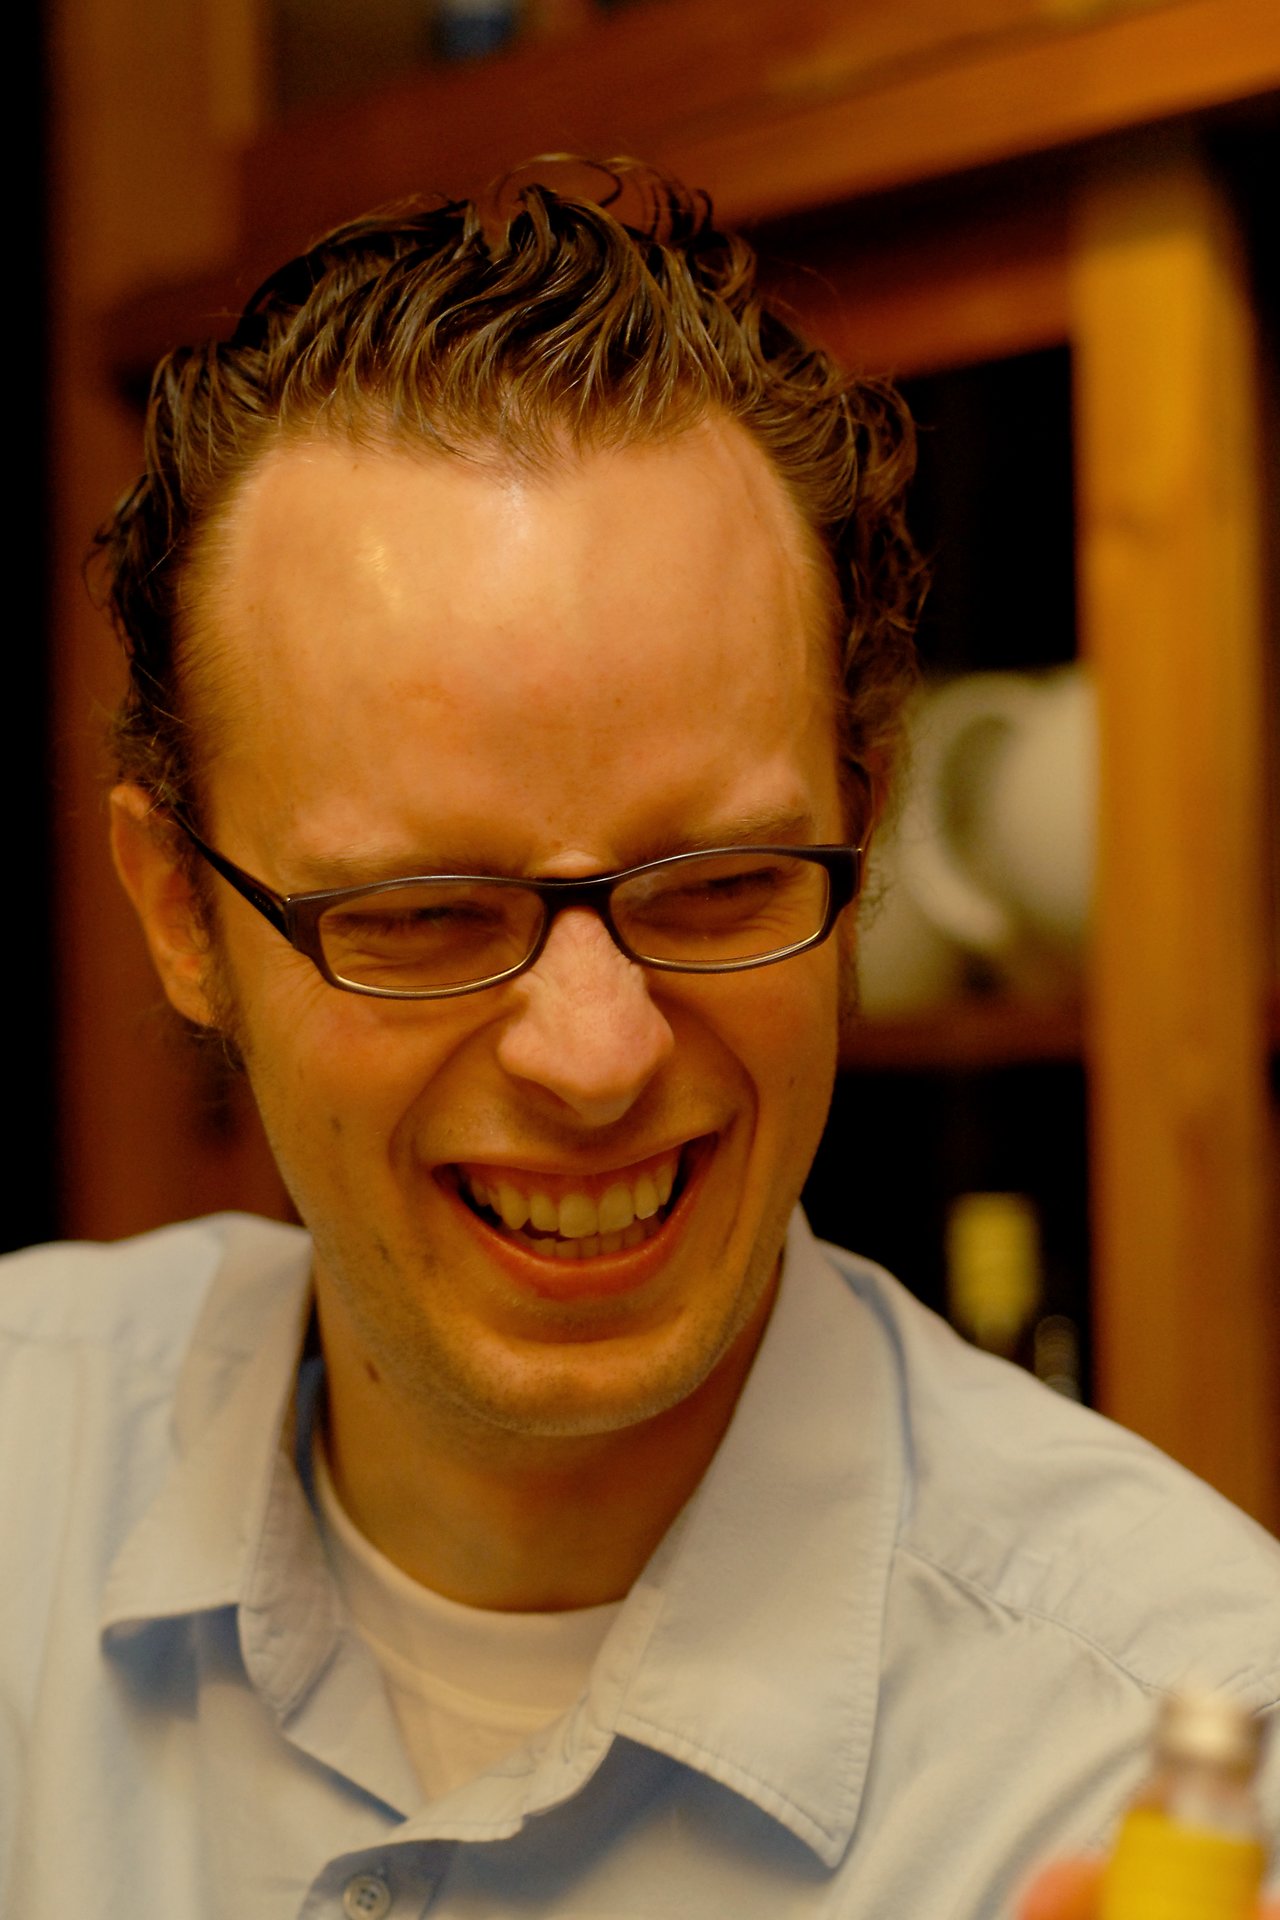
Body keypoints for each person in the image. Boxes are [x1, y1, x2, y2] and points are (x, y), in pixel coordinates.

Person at [1, 161, 1276, 1919]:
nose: (593, 1060)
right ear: (175, 911)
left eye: (721, 884)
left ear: (867, 822)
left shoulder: (1189, 1760)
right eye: (425, 914)